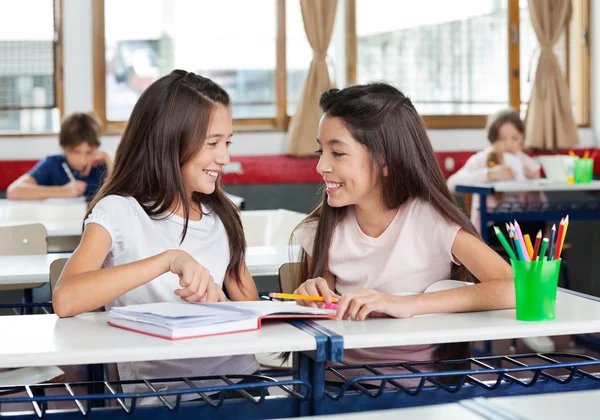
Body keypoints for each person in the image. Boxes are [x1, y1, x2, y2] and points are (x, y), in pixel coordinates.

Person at [52, 70, 261, 399]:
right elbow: (65, 299)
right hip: (157, 394)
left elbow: (253, 313)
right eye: (213, 144)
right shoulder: (119, 211)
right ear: (170, 141)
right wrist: (167, 260)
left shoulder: (223, 214)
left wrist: (223, 306)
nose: (225, 158)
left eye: (227, 142)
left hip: (238, 382)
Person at [292, 83, 515, 377]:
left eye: (337, 153)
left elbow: (514, 288)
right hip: (338, 385)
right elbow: (326, 300)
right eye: (322, 151)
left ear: (385, 161)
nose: (321, 165)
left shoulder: (428, 220)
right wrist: (311, 293)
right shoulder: (324, 227)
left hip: (420, 385)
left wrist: (404, 303)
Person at [447, 108, 553, 353]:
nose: (508, 145)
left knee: (536, 231)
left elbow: (544, 207)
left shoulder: (527, 162)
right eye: (502, 139)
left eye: (514, 139)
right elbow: (452, 184)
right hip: (494, 231)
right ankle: (527, 313)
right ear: (493, 139)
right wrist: (490, 174)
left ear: (522, 140)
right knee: (523, 234)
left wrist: (532, 181)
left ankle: (533, 313)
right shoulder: (484, 159)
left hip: (527, 232)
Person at [7, 112, 112, 200]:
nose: (82, 160)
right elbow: (13, 191)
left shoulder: (103, 164)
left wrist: (109, 158)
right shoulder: (53, 164)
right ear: (64, 147)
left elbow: (123, 194)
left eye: (89, 152)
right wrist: (64, 191)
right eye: (76, 152)